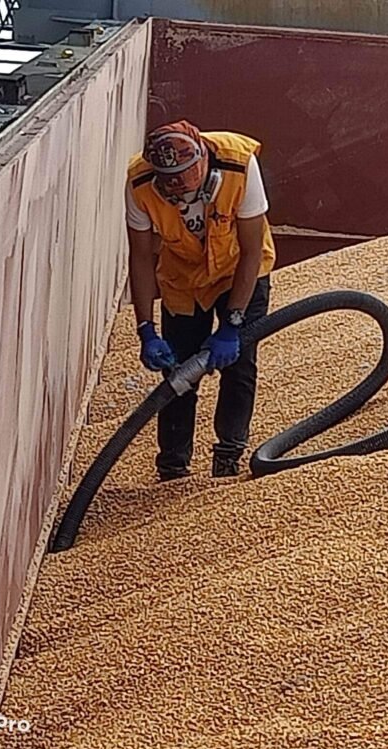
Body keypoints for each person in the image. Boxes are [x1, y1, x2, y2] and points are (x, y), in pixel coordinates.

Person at [125, 121, 276, 481]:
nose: (179, 189)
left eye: (187, 178)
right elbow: (141, 257)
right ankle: (173, 467)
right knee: (179, 372)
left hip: (238, 271)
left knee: (238, 365)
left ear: (203, 162)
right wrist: (145, 328)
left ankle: (229, 455)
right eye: (170, 183)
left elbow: (252, 250)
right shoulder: (140, 184)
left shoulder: (239, 164)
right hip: (183, 280)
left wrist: (233, 322)